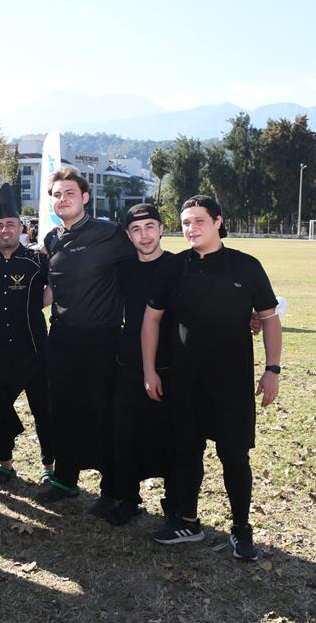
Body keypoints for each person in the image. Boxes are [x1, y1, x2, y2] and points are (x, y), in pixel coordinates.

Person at [142, 195, 282, 562]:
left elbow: (269, 318)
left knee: (234, 455)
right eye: (186, 223)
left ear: (218, 221)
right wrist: (149, 369)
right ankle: (188, 521)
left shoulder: (246, 266)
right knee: (187, 451)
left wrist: (272, 369)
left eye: (199, 221)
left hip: (232, 381)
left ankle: (241, 529)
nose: (191, 228)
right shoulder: (174, 268)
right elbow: (151, 319)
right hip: (185, 380)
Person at [36, 167, 135, 511]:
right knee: (63, 411)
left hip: (102, 342)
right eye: (57, 195)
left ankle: (112, 489)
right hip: (62, 340)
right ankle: (65, 479)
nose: (63, 199)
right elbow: (52, 289)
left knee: (103, 414)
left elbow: (141, 272)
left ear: (85, 197)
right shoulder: (52, 239)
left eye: (70, 193)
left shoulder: (109, 234)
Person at [107, 203, 177, 526]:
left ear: (161, 229)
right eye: (136, 229)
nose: (144, 235)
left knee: (170, 436)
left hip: (170, 365)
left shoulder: (179, 266)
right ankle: (128, 498)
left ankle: (175, 503)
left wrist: (248, 317)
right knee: (125, 433)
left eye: (150, 227)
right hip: (128, 362)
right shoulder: (122, 268)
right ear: (128, 235)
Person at [0, 184, 54, 485]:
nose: (5, 230)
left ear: (21, 228)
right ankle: (5, 464)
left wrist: (39, 302)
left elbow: (59, 282)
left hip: (34, 349)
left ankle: (49, 467)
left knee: (44, 411)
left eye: (10, 224)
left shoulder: (37, 261)